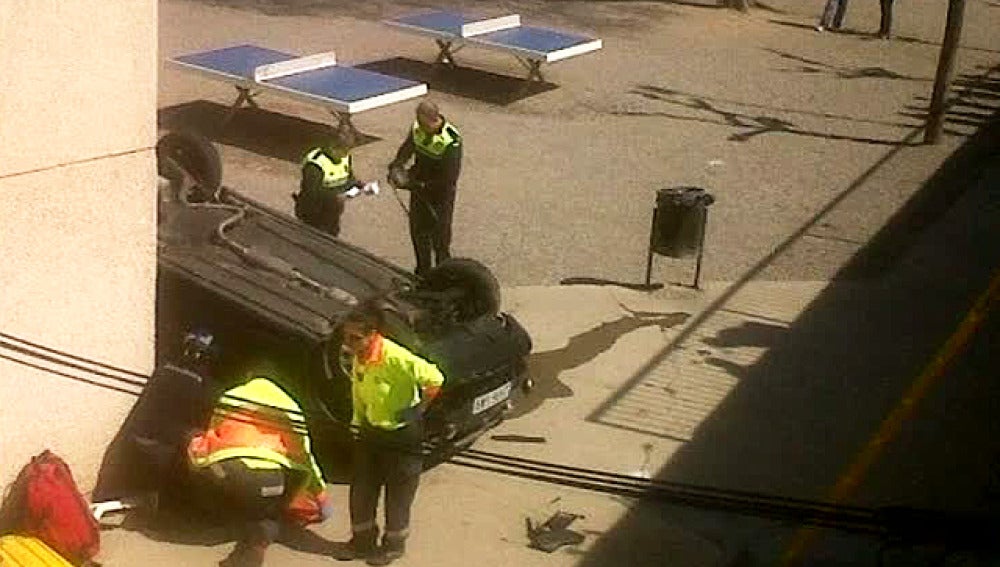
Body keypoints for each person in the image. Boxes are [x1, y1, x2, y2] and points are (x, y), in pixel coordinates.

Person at [185, 357, 332, 567]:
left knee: (196, 445)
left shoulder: (233, 395)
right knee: (268, 509)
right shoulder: (290, 404)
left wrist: (199, 458)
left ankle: (215, 516)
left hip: (233, 471)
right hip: (276, 478)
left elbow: (212, 434)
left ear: (248, 377)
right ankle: (257, 542)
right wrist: (320, 495)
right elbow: (305, 454)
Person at [337, 300, 445, 565]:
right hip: (369, 431)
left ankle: (393, 546)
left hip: (401, 435)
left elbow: (435, 379)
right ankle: (361, 542)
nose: (348, 343)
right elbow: (358, 390)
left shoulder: (398, 358)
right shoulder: (359, 356)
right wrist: (357, 421)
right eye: (346, 337)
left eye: (356, 338)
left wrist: (418, 410)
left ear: (374, 334)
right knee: (362, 490)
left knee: (398, 494)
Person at [387, 101, 463, 277]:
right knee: (418, 234)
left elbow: (449, 179)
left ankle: (445, 277)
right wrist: (396, 166)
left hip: (440, 196)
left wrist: (417, 185)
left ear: (433, 119)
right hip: (418, 189)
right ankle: (422, 273)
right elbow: (407, 149)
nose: (419, 126)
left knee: (440, 240)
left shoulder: (450, 141)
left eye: (423, 123)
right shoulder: (418, 129)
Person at [294, 128, 368, 238]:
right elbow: (312, 192)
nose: (344, 154)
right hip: (313, 213)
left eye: (347, 149)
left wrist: (358, 184)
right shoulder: (316, 164)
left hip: (333, 213)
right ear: (331, 146)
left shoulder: (345, 156)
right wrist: (335, 196)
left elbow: (347, 177)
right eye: (340, 149)